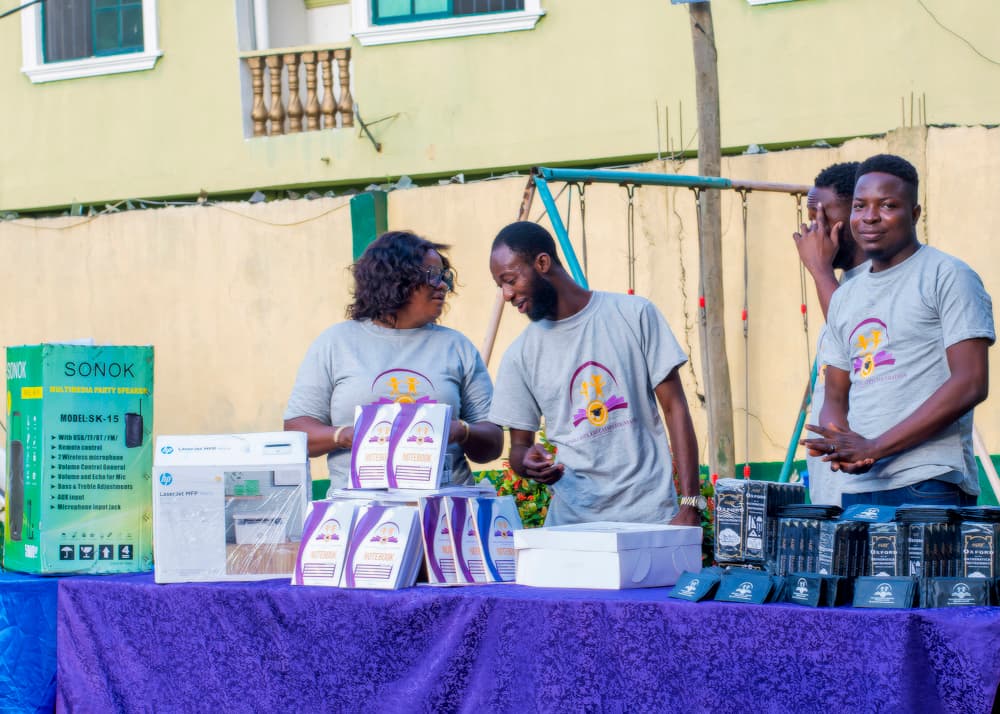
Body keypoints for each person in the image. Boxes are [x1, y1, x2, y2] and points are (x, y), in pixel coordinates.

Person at [802, 154, 995, 508]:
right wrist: (839, 442)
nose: (870, 217)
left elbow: (971, 382)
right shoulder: (845, 297)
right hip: (860, 487)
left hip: (928, 481)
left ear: (915, 213)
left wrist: (874, 447)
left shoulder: (947, 275)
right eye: (860, 206)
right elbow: (834, 395)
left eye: (887, 205)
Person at [487, 221, 702, 527]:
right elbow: (519, 448)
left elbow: (675, 408)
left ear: (543, 263)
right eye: (501, 286)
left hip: (651, 520)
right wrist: (527, 463)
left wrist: (690, 503)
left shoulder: (634, 314)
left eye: (510, 280)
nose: (507, 295)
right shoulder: (519, 355)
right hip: (572, 529)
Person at [284, 230, 503, 491]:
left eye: (445, 276)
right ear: (395, 280)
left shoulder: (456, 347)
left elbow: (493, 443)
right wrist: (346, 436)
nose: (443, 285)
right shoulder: (336, 343)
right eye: (432, 276)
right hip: (360, 514)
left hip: (443, 514)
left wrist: (462, 431)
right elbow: (297, 434)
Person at [791, 161, 867, 505]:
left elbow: (851, 337)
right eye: (810, 218)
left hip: (870, 484)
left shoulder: (877, 280)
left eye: (822, 216)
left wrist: (820, 269)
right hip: (834, 489)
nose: (813, 229)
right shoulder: (843, 286)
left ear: (856, 214)